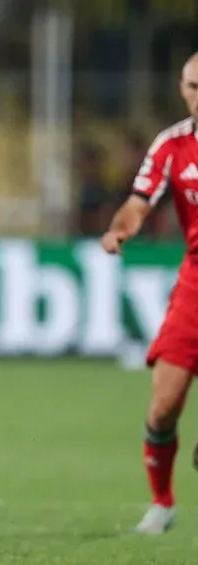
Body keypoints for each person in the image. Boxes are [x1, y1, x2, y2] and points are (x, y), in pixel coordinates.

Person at [101, 51, 198, 535]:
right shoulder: (173, 145)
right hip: (194, 285)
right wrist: (121, 230)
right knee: (163, 407)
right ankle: (162, 502)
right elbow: (139, 202)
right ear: (183, 89)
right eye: (192, 86)